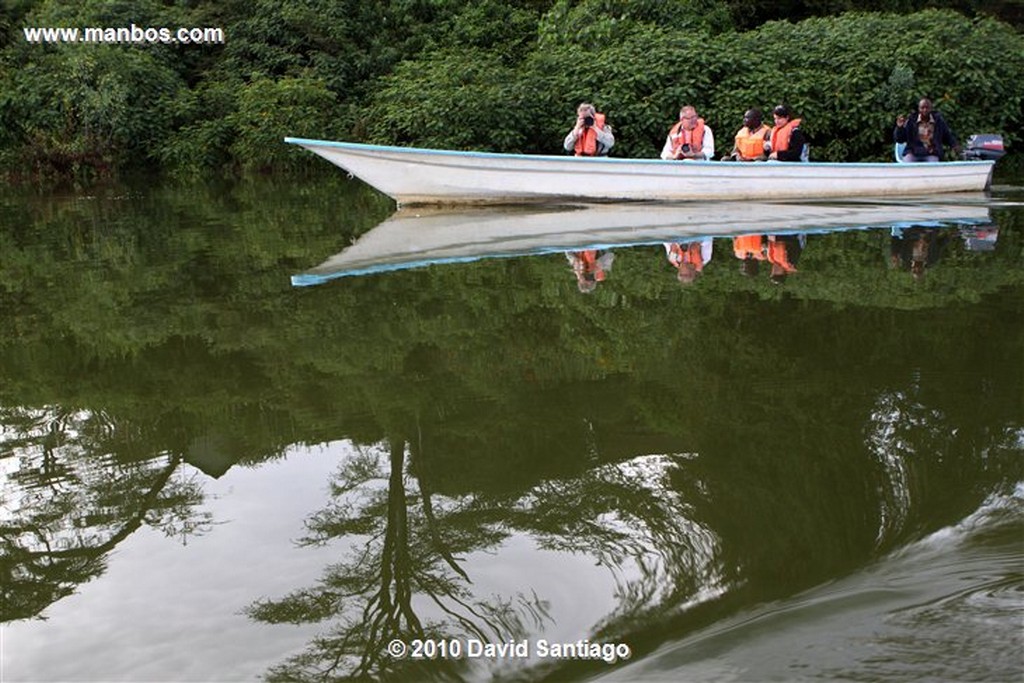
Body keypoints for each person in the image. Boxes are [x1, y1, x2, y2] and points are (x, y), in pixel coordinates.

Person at [894, 98, 959, 162]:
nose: (925, 110)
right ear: (919, 109)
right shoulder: (911, 120)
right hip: (913, 152)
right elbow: (900, 140)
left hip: (931, 152)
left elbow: (947, 135)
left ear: (931, 108)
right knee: (908, 167)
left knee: (933, 167)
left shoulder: (938, 121)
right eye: (922, 108)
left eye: (927, 107)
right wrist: (899, 128)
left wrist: (954, 145)